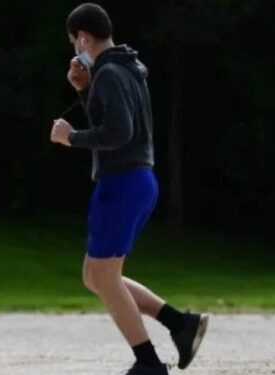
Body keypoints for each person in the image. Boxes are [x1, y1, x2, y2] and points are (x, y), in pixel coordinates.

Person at [50, 4, 208, 374]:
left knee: (103, 277)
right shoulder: (126, 67)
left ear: (84, 38)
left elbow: (119, 133)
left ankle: (149, 363)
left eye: (76, 42)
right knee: (96, 276)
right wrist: (85, 90)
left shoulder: (108, 73)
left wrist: (70, 137)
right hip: (137, 180)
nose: (77, 49)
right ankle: (180, 325)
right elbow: (118, 122)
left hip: (122, 182)